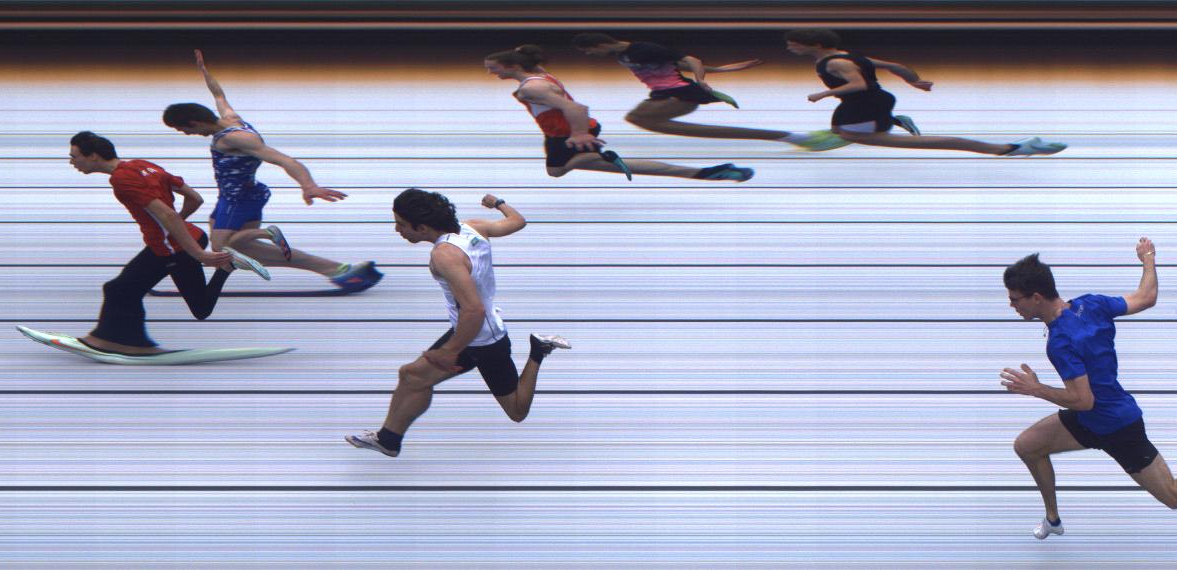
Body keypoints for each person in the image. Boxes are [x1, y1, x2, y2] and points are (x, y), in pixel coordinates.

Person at [1002, 238, 1177, 539]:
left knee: (1175, 495)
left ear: (1036, 298)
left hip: (1117, 426)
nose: (1012, 305)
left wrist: (1036, 388)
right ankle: (1053, 520)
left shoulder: (1060, 342)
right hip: (1089, 421)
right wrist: (1148, 258)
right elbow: (1146, 297)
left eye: (1015, 299)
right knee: (1027, 446)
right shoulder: (1090, 304)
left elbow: (1083, 400)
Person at [346, 190, 570, 457]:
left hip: (480, 340)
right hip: (477, 330)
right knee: (412, 376)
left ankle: (538, 350)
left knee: (515, 410)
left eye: (401, 224)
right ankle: (388, 440)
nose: (397, 230)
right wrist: (498, 204)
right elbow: (517, 222)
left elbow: (473, 310)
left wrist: (449, 351)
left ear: (422, 227)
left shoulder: (445, 255)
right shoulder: (473, 227)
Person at [162, 49, 382, 292]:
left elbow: (284, 160)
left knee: (222, 248)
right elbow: (219, 94)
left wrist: (308, 186)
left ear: (194, 123)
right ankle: (337, 269)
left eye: (184, 130)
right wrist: (205, 72)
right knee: (243, 248)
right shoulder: (230, 118)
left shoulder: (235, 138)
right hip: (241, 196)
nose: (187, 134)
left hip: (238, 200)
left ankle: (282, 242)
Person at [66, 131, 267, 354]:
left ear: (93, 156)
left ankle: (126, 343)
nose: (72, 162)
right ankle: (227, 266)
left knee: (119, 289)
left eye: (74, 156)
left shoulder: (121, 179)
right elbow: (195, 198)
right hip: (186, 237)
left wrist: (197, 253)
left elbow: (167, 215)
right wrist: (178, 226)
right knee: (199, 307)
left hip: (172, 247)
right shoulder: (142, 165)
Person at [485, 45, 755, 182]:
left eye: (494, 67)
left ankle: (705, 173)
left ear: (512, 66)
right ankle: (706, 173)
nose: (490, 72)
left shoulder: (532, 88)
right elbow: (526, 57)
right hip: (568, 131)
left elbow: (576, 108)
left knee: (560, 169)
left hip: (568, 133)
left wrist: (579, 135)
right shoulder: (538, 74)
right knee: (565, 169)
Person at [784, 29, 1068, 156]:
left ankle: (1009, 149)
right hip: (875, 102)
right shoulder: (847, 55)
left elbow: (859, 85)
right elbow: (894, 66)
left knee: (852, 136)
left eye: (795, 44)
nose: (790, 48)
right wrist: (915, 82)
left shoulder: (834, 63)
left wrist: (821, 95)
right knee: (842, 130)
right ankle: (892, 119)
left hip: (863, 104)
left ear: (816, 45)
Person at [571, 33, 854, 151]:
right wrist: (726, 69)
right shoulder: (623, 55)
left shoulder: (643, 49)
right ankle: (793, 137)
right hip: (664, 93)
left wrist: (702, 82)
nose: (589, 56)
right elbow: (681, 64)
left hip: (682, 93)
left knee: (639, 119)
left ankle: (795, 137)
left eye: (588, 51)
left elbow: (691, 60)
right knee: (640, 119)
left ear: (599, 45)